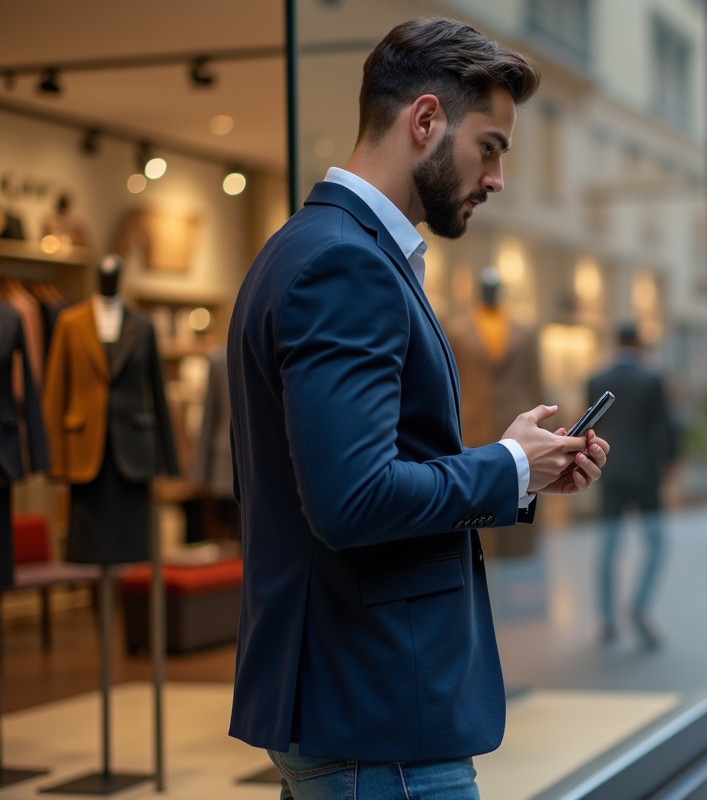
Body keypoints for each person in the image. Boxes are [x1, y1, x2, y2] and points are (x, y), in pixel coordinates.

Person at [225, 19, 610, 799]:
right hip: (376, 704)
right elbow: (353, 498)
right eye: (490, 147)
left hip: (351, 698)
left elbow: (358, 472)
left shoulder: (318, 246)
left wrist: (518, 468)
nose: (497, 178)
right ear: (426, 120)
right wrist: (506, 466)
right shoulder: (345, 263)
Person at [587, 324, 677, 650]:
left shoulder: (597, 379)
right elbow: (665, 425)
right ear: (638, 344)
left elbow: (588, 427)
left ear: (616, 343)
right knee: (655, 543)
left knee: (608, 547)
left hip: (608, 472)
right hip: (644, 472)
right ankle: (639, 604)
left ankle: (607, 620)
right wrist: (670, 460)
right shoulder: (651, 379)